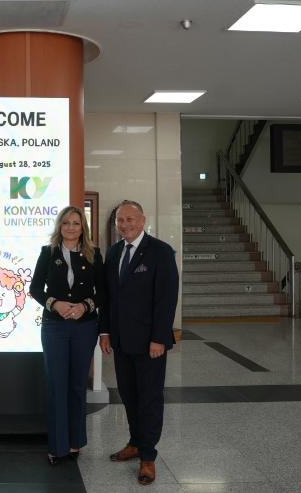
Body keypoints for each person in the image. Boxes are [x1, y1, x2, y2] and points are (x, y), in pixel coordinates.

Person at [98, 200, 179, 486]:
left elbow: (166, 299)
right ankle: (134, 442)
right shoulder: (114, 252)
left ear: (143, 220)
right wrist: (105, 332)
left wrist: (159, 338)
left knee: (149, 399)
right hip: (121, 341)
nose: (125, 225)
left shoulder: (161, 252)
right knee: (129, 395)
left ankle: (148, 456)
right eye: (120, 220)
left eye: (130, 219)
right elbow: (108, 297)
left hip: (149, 344)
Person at [29, 206, 104, 465]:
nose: (71, 227)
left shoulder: (94, 254)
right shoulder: (48, 253)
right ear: (59, 226)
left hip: (85, 327)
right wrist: (54, 304)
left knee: (77, 385)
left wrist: (85, 306)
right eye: (66, 223)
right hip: (55, 327)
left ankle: (75, 442)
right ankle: (57, 446)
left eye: (76, 223)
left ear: (83, 227)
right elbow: (35, 288)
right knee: (56, 385)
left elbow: (103, 291)